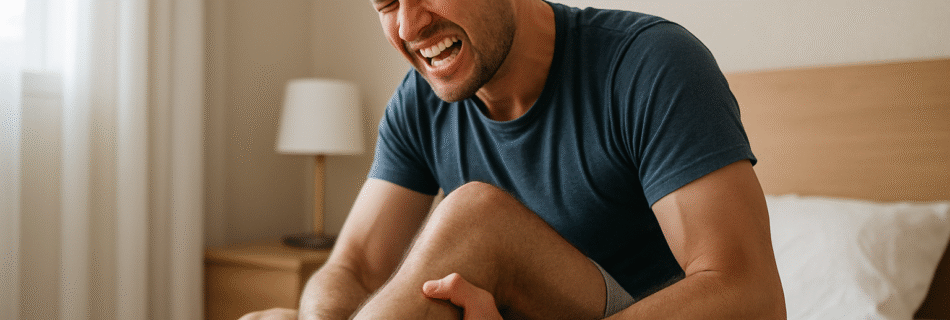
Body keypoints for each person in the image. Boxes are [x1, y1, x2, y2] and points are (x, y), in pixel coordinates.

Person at [242, 0, 786, 319]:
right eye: (387, 1)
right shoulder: (419, 103)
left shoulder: (649, 64)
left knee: (476, 218)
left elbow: (750, 295)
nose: (409, 28)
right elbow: (353, 267)